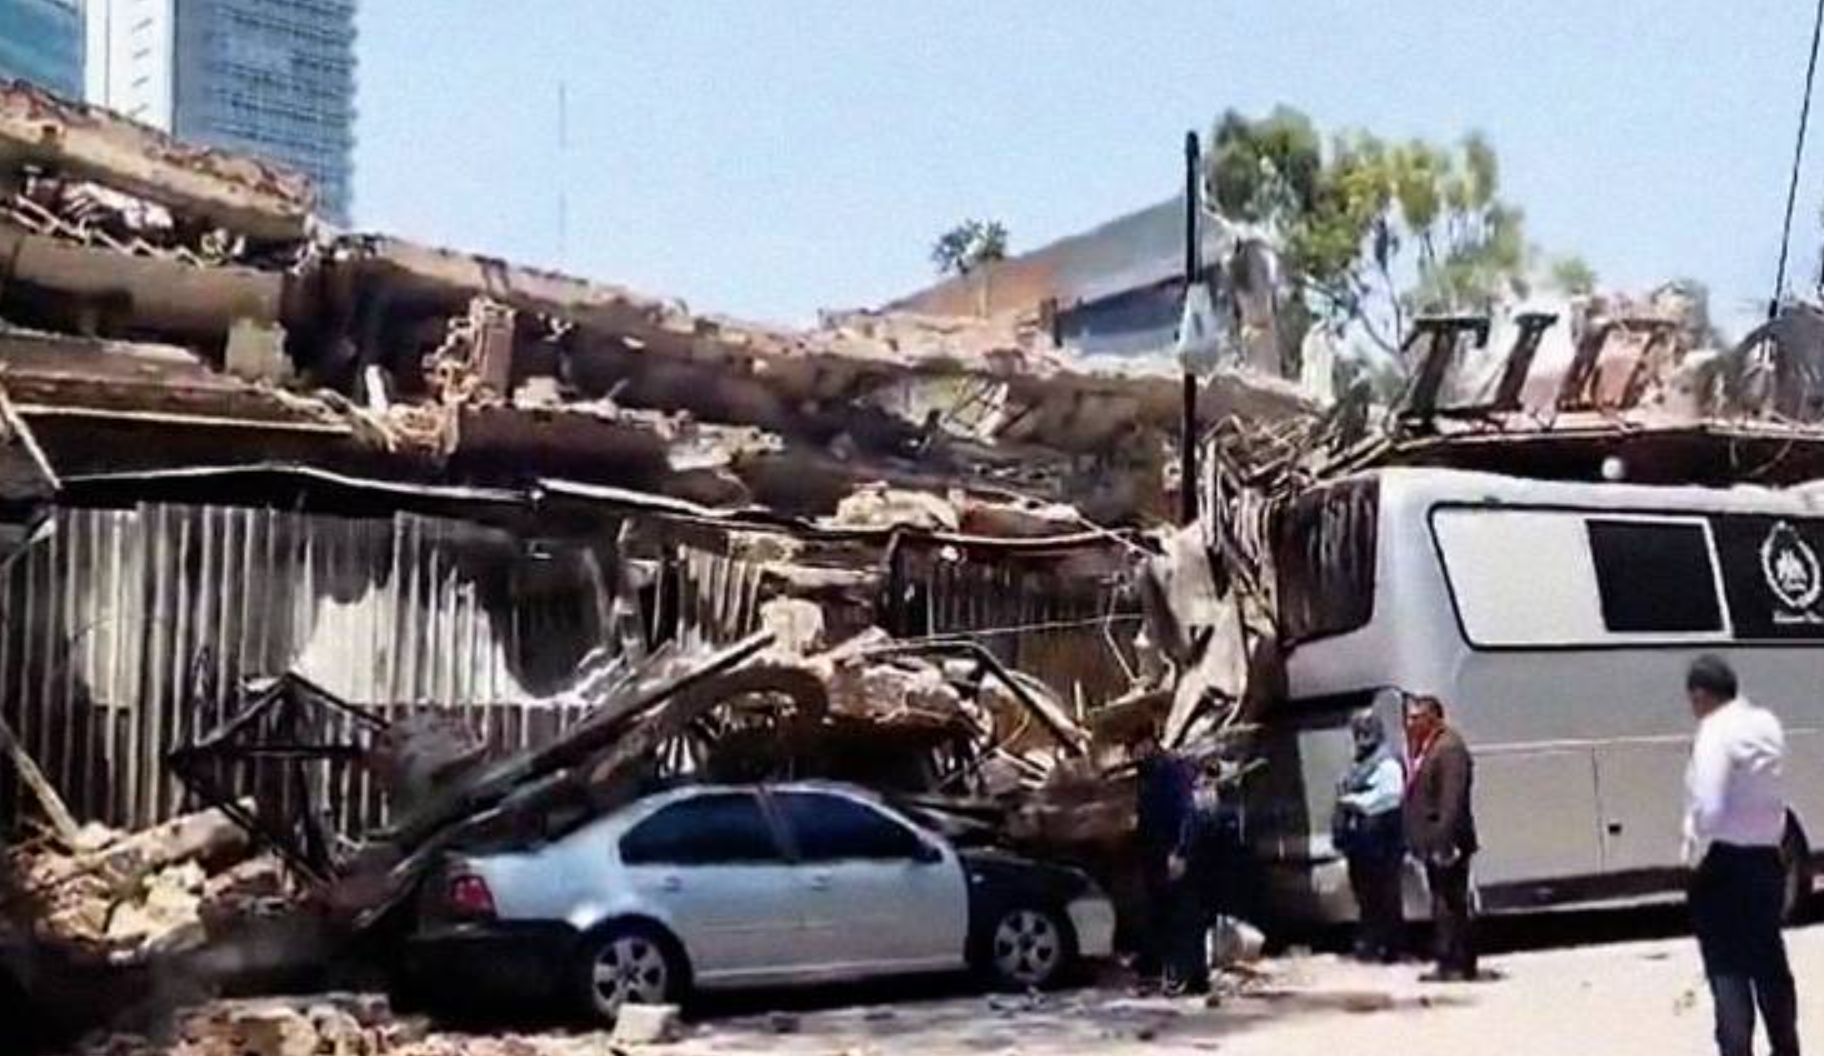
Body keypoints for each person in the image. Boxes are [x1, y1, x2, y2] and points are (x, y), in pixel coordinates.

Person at [1683, 655, 1799, 1056]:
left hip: (1724, 864)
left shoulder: (1714, 732)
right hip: (1767, 861)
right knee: (1768, 960)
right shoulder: (1766, 724)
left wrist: (1692, 849)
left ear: (1701, 694)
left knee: (1727, 969)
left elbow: (1710, 810)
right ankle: (1786, 1046)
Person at [1401, 693, 1478, 982]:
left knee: (1450, 904)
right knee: (1443, 901)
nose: (1409, 723)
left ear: (1432, 717)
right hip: (1434, 839)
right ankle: (1452, 960)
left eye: (1415, 717)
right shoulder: (1428, 746)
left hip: (1449, 840)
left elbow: (1452, 799)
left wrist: (1445, 840)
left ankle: (1454, 963)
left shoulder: (1449, 749)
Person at [1133, 726, 1206, 995]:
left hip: (1173, 854)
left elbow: (1187, 813)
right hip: (1154, 857)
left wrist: (1181, 852)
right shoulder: (1148, 775)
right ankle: (1167, 973)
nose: (1135, 753)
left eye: (1139, 746)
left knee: (1184, 918)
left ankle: (1191, 976)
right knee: (1162, 918)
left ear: (1151, 742)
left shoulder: (1171, 772)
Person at [1334, 709, 1406, 963]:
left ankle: (1390, 947)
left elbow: (1390, 797)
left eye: (1366, 730)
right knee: (1365, 896)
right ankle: (1371, 942)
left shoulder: (1387, 762)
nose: (1361, 736)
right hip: (1361, 843)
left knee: (1385, 895)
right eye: (1358, 731)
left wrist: (1357, 802)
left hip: (1382, 840)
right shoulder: (1358, 763)